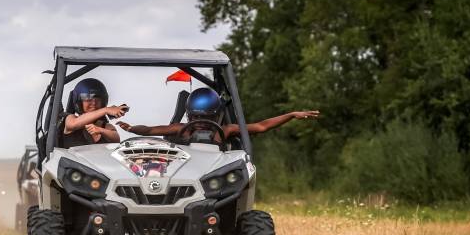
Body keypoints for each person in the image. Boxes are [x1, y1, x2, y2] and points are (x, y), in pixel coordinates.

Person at [116, 87, 319, 142]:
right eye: (196, 118)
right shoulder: (180, 130)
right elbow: (150, 130)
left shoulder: (226, 130)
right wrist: (132, 128)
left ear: (217, 116)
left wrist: (291, 114)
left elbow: (261, 126)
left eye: (208, 118)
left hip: (212, 180)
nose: (202, 123)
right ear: (189, 116)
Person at [60, 78, 127, 147]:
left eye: (97, 99)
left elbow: (116, 139)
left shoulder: (105, 126)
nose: (94, 103)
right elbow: (73, 124)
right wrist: (106, 110)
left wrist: (101, 130)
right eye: (88, 99)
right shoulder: (71, 118)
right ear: (79, 102)